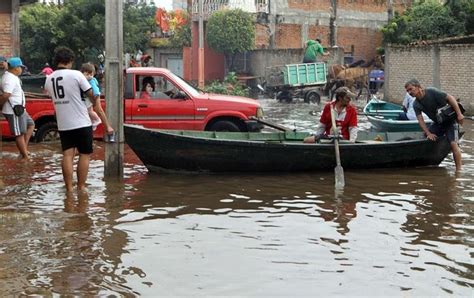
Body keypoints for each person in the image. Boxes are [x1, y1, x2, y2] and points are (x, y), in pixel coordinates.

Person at [44, 46, 114, 192]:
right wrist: (95, 96)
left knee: (67, 155)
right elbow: (91, 96)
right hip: (81, 122)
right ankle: (81, 187)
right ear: (70, 60)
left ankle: (69, 189)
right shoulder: (76, 75)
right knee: (85, 154)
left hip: (63, 123)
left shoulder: (49, 79)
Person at [404, 78, 464, 171]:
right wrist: (428, 133)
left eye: (411, 89)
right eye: (407, 91)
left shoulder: (432, 92)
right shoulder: (416, 104)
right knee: (424, 137)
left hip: (450, 121)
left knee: (453, 144)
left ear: (418, 87)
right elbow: (420, 120)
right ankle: (429, 161)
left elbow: (450, 98)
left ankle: (458, 171)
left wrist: (459, 114)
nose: (409, 92)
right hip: (438, 123)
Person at [0, 57, 35, 159]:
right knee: (19, 134)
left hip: (20, 109)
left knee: (31, 125)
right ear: (16, 68)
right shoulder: (9, 78)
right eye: (21, 67)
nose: (22, 69)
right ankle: (25, 157)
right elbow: (6, 95)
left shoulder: (12, 77)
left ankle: (24, 149)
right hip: (14, 110)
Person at [80, 63, 102, 130]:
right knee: (89, 111)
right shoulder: (86, 80)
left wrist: (96, 94)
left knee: (89, 111)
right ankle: (94, 122)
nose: (89, 76)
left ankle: (97, 119)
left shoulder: (91, 81)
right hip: (87, 98)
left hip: (88, 99)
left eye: (91, 74)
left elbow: (95, 89)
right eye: (87, 74)